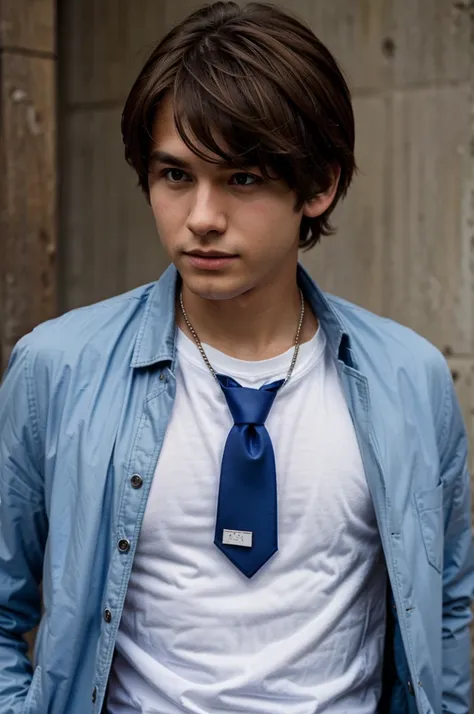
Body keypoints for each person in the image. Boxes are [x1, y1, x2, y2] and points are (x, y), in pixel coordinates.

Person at [0, 2, 472, 713]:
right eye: (175, 175)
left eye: (242, 179)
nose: (201, 217)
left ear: (320, 186)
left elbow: (447, 608)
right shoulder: (57, 369)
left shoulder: (408, 379)